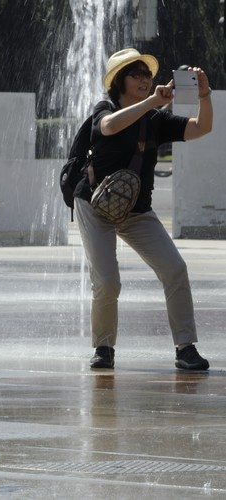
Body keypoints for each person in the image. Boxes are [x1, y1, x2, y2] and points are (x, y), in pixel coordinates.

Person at [72, 49, 213, 370]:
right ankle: (104, 348)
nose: (145, 79)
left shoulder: (157, 120)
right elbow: (108, 127)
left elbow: (201, 128)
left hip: (136, 210)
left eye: (146, 75)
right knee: (108, 281)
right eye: (136, 74)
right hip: (93, 204)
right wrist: (153, 102)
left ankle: (186, 347)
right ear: (119, 81)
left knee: (175, 269)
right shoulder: (105, 108)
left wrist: (205, 95)